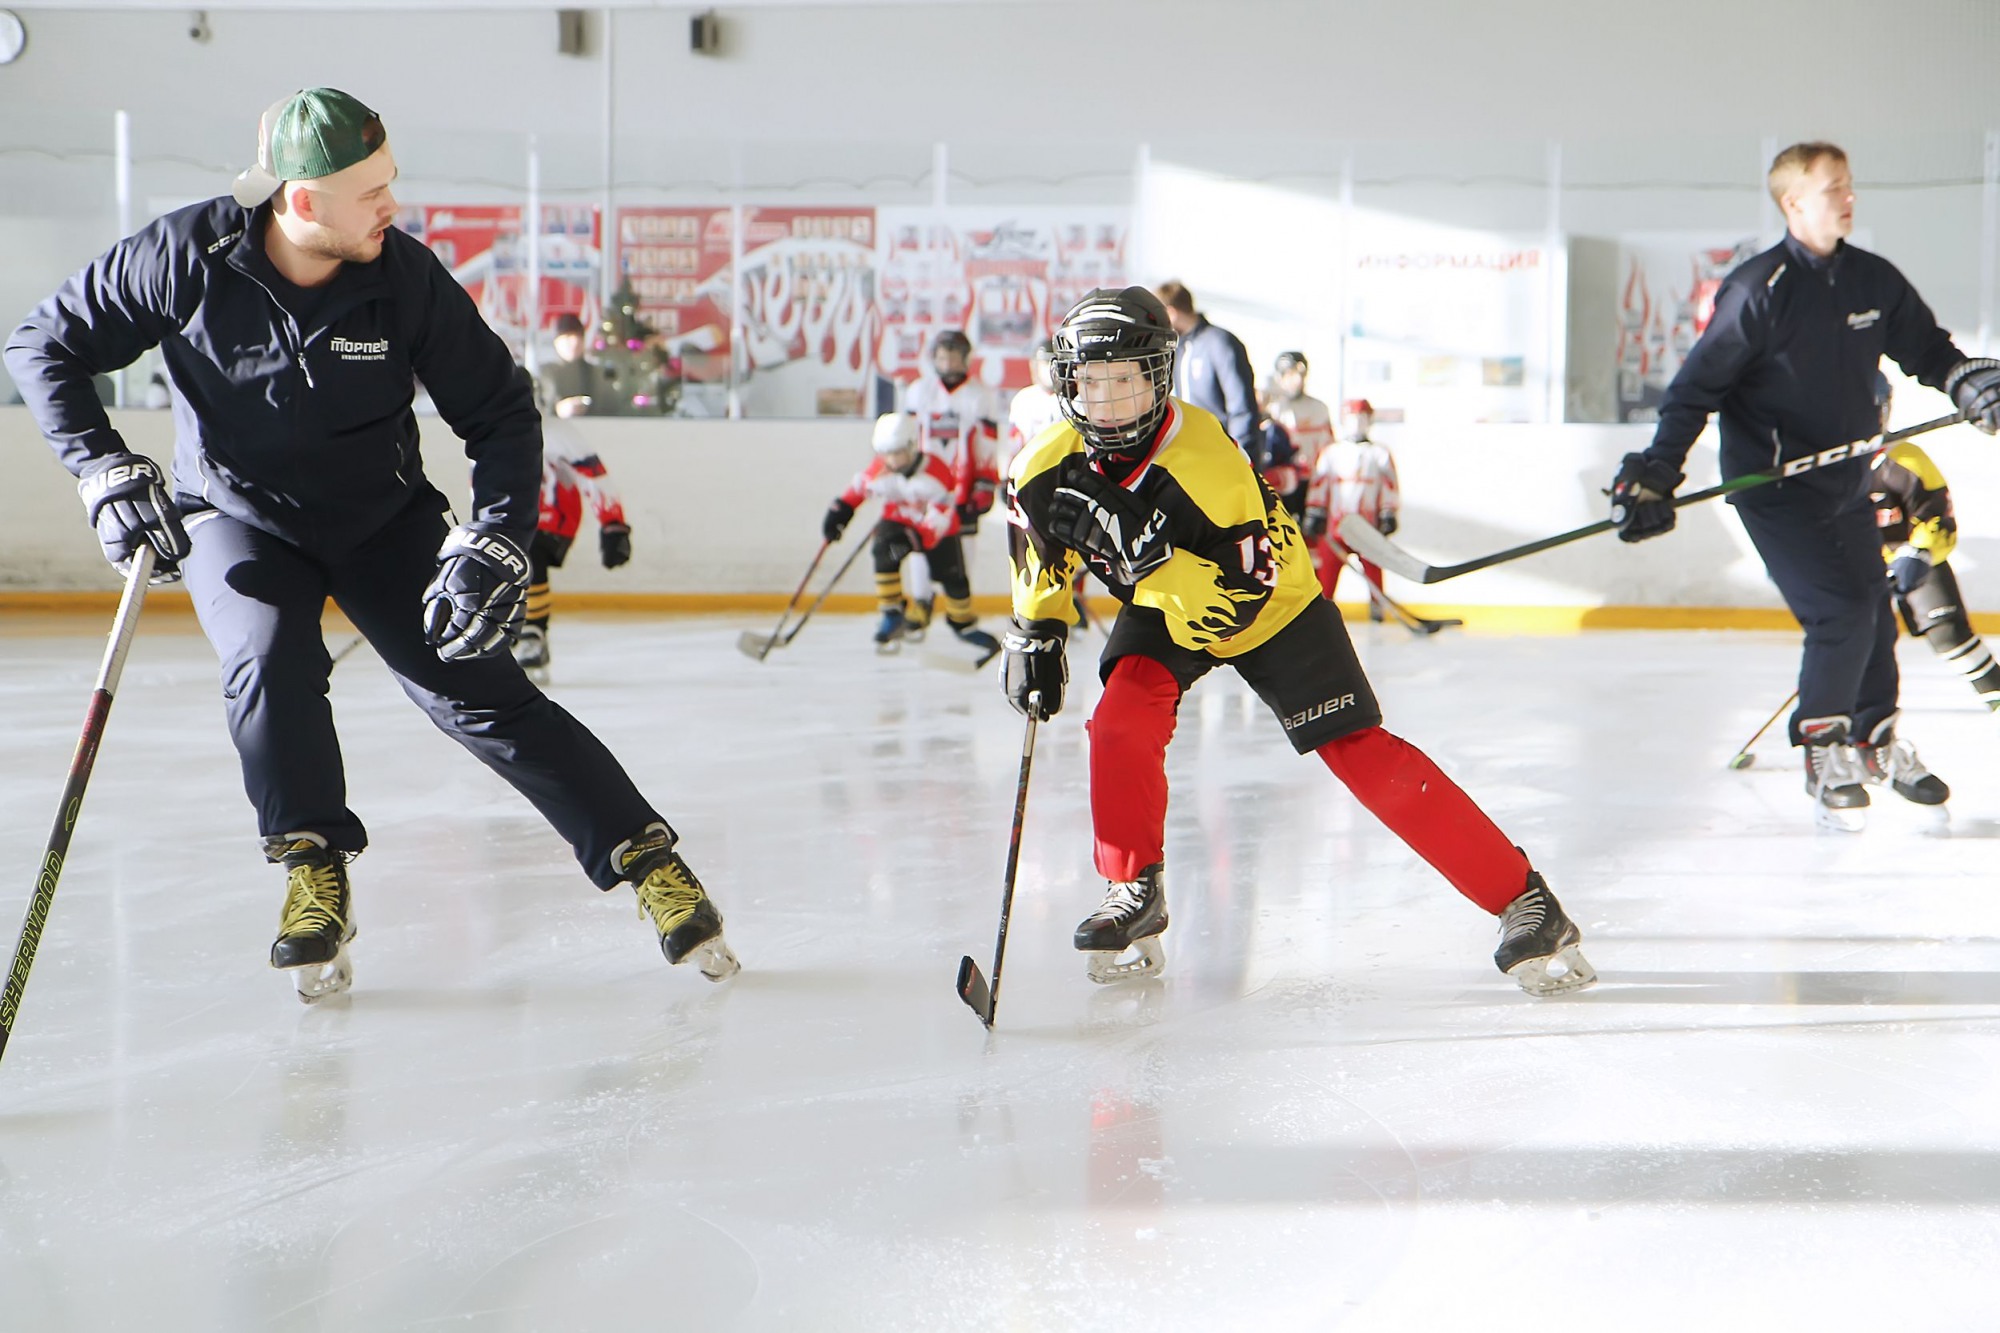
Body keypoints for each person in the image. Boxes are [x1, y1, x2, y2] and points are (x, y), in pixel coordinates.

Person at [3, 87, 739, 1002]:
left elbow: (501, 412)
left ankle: (648, 862)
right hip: (234, 516)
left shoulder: (403, 278)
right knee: (268, 666)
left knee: (476, 687)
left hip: (381, 520)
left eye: (390, 182)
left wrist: (501, 537)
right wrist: (100, 467)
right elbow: (43, 343)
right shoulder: (186, 255)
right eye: (372, 189)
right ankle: (314, 868)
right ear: (302, 200)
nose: (394, 204)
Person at [999, 287, 1595, 997]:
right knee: (1120, 720)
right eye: (1091, 383)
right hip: (1161, 598)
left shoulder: (1206, 462)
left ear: (1159, 378)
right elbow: (1040, 552)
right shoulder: (1042, 465)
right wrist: (1036, 630)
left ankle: (1525, 900)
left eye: (1126, 380)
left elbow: (1236, 597)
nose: (1108, 402)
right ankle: (1133, 886)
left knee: (1361, 753)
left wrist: (1147, 560)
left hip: (1267, 601)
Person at [1609, 140, 2000, 831]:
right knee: (1841, 610)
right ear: (1794, 203)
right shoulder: (1758, 290)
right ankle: (1823, 747)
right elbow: (1696, 389)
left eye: (1849, 186)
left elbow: (1928, 351)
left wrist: (1964, 379)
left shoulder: (1872, 280)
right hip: (1776, 489)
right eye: (1833, 189)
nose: (1848, 198)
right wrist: (1659, 471)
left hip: (1847, 482)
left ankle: (1873, 740)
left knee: (1876, 613)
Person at [1869, 375, 2000, 714]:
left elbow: (1937, 515)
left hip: (1911, 560)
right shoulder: (1830, 465)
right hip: (1860, 566)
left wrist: (1919, 553)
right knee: (1859, 644)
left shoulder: (1905, 459)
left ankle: (1996, 696)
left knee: (1948, 633)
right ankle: (1856, 722)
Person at [823, 413, 1001, 662]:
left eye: (897, 453)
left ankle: (963, 624)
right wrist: (840, 510)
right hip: (899, 523)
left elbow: (940, 520)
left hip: (937, 530)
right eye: (885, 453)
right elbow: (858, 489)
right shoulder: (881, 468)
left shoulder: (936, 472)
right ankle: (892, 613)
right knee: (882, 548)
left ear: (911, 446)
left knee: (953, 579)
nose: (891, 460)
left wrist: (917, 540)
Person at [515, 409, 633, 684]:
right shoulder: (487, 426)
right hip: (510, 518)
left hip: (553, 520)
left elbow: (593, 474)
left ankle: (533, 633)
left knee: (531, 557)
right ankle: (511, 631)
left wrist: (612, 523)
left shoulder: (555, 432)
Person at [901, 328, 1001, 635]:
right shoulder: (920, 392)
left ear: (965, 359)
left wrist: (985, 483)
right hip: (924, 482)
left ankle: (959, 605)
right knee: (920, 542)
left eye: (954, 357)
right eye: (943, 357)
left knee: (963, 544)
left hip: (962, 483)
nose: (948, 363)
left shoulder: (979, 396)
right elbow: (906, 435)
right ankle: (921, 601)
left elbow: (986, 444)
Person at [1303, 398, 1400, 618]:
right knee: (1327, 572)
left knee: (1374, 570)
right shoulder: (1331, 453)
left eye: (1362, 418)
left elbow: (1389, 486)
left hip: (1368, 527)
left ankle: (1377, 609)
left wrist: (1388, 512)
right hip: (1335, 528)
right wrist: (1315, 511)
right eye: (1352, 418)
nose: (1357, 423)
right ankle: (1321, 613)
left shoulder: (1379, 454)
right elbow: (1319, 484)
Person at [1154, 280, 1261, 465]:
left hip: (1221, 458)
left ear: (1171, 313)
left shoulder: (1219, 343)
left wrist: (1240, 461)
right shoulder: (1177, 349)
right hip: (1189, 459)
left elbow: (1241, 408)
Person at [1264, 350, 1334, 512]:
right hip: (1281, 483)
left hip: (1313, 483)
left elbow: (1329, 449)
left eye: (1301, 374)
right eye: (1291, 374)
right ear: (1279, 377)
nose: (1297, 380)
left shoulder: (1319, 409)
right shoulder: (1272, 410)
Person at [539, 312, 599, 418]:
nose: (574, 342)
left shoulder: (593, 372)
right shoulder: (546, 373)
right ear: (556, 342)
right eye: (567, 337)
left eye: (578, 337)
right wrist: (558, 409)